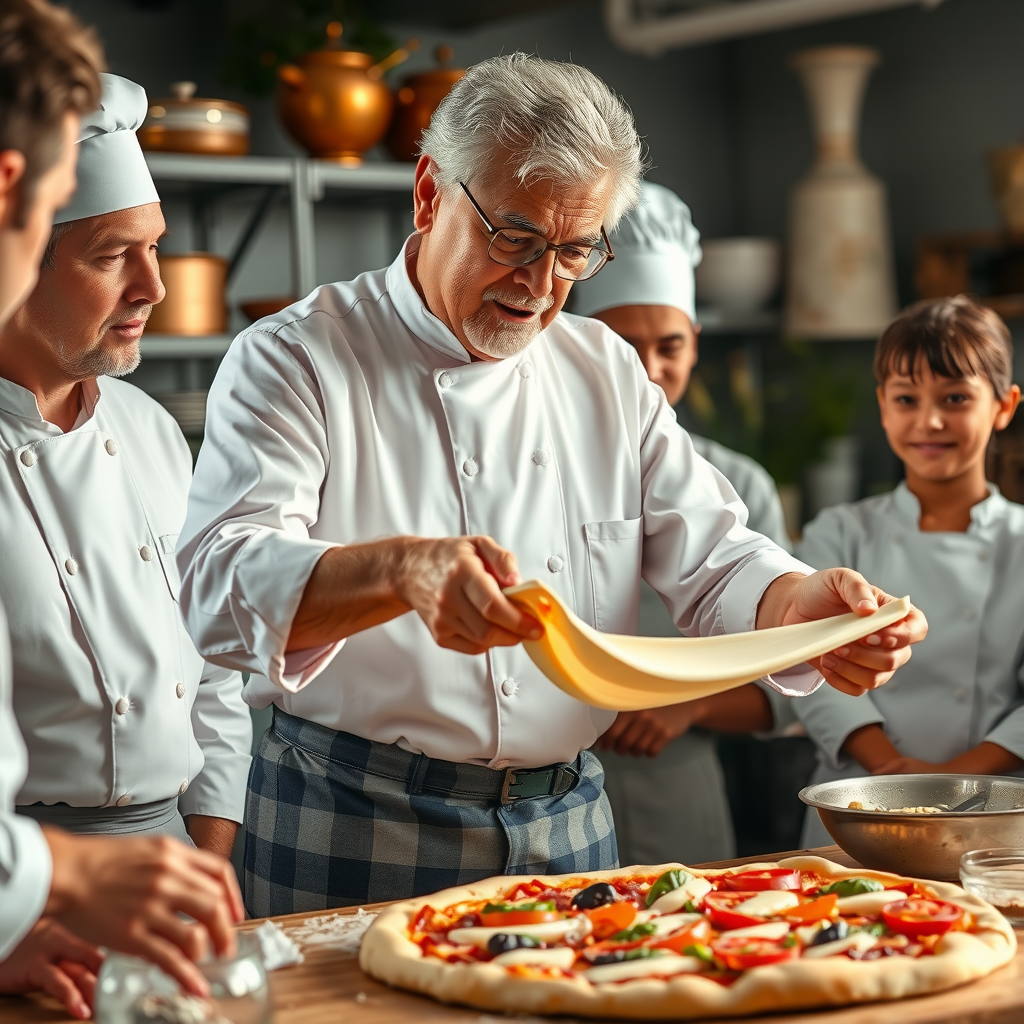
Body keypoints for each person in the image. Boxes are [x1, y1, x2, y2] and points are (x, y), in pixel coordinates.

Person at [176, 53, 925, 917]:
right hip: (354, 814)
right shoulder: (298, 356)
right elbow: (218, 587)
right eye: (516, 239)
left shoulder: (603, 368)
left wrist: (801, 609)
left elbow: (717, 559)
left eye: (575, 252)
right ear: (429, 194)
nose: (539, 288)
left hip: (569, 821)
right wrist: (398, 573)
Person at [0, 36, 243, 1016]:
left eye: (157, 245)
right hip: (33, 889)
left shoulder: (152, 431)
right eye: (111, 256)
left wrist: (207, 865)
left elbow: (214, 667)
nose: (152, 285)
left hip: (173, 865)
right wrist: (14, 920)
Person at [573, 181, 792, 863]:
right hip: (547, 789)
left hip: (680, 795)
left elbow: (784, 693)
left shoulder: (740, 480)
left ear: (696, 342)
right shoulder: (536, 469)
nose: (650, 370)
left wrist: (686, 707)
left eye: (670, 345)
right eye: (623, 345)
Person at [794, 295, 1024, 846]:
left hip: (990, 810)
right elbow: (808, 665)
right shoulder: (839, 532)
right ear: (882, 405)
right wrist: (891, 770)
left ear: (1004, 405)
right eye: (906, 398)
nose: (930, 421)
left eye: (955, 398)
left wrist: (951, 780)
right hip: (858, 800)